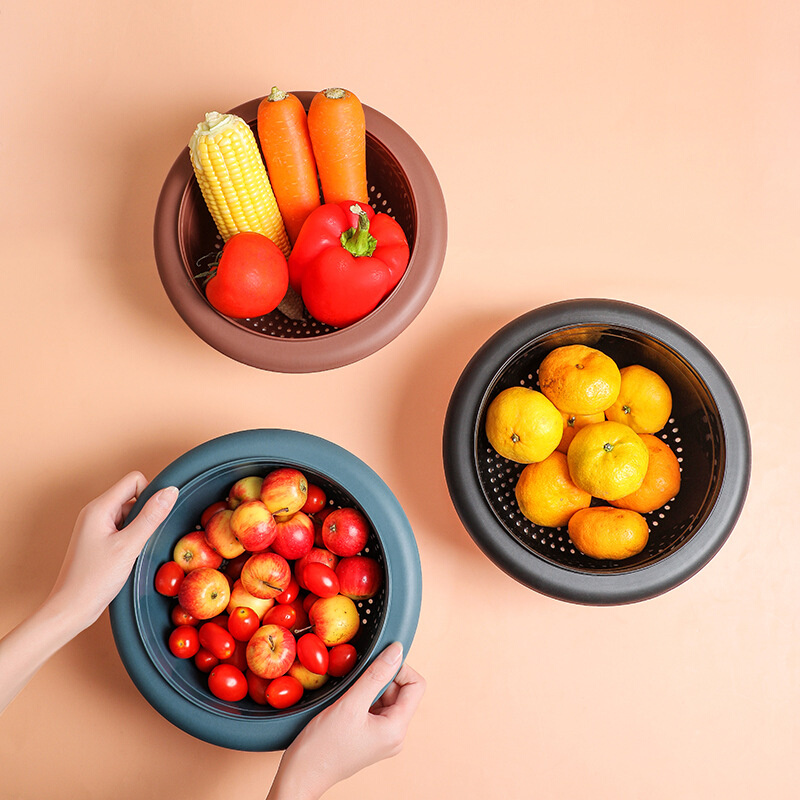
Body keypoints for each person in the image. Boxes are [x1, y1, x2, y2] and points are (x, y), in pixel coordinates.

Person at [0, 472, 426, 799]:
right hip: (255, 603)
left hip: (251, 604)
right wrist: (305, 779)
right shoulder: (258, 564)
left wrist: (70, 607)